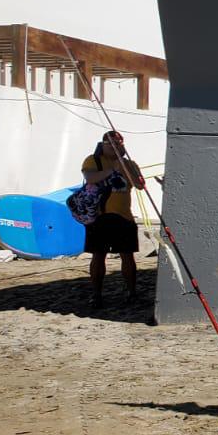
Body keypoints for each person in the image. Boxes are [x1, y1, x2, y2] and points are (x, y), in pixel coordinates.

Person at [81, 130, 144, 308]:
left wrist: (125, 168)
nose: (115, 146)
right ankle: (97, 294)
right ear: (103, 144)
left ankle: (132, 292)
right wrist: (112, 170)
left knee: (127, 256)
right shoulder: (94, 160)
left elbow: (139, 185)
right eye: (111, 143)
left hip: (124, 216)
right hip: (100, 217)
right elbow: (90, 178)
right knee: (98, 256)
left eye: (118, 143)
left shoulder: (130, 164)